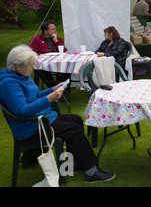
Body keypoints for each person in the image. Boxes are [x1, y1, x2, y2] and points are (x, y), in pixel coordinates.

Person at [0, 45, 116, 183]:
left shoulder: (21, 75)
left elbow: (35, 96)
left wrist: (52, 89)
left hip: (39, 119)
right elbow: (22, 111)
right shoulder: (9, 83)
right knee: (73, 130)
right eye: (30, 66)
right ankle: (91, 171)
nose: (32, 69)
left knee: (76, 120)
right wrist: (49, 98)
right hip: (29, 127)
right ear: (18, 66)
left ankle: (74, 164)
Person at [29, 19, 70, 88]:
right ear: (45, 31)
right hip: (44, 63)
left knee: (68, 68)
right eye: (52, 29)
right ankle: (56, 88)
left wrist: (56, 41)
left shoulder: (58, 39)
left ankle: (59, 87)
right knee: (41, 71)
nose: (55, 31)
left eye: (55, 29)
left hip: (57, 62)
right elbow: (31, 52)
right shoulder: (36, 39)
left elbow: (64, 51)